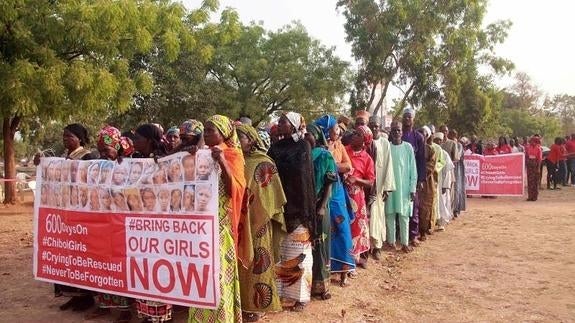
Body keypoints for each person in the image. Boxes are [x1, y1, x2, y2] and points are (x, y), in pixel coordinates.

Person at [188, 115, 246, 323]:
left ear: (224, 133)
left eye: (212, 130)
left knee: (219, 274)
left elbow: (236, 190)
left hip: (221, 225)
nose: (207, 134)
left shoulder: (233, 155)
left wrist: (221, 160)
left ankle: (223, 318)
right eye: (205, 130)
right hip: (201, 224)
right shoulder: (200, 154)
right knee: (200, 274)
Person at [236, 124, 287, 322]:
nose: (238, 140)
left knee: (259, 261)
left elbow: (270, 194)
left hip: (259, 221)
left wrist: (256, 209)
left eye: (241, 137)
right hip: (238, 221)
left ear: (252, 139)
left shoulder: (264, 163)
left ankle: (258, 307)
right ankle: (242, 304)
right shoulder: (233, 160)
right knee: (240, 262)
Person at [267, 112, 315, 312]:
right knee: (280, 252)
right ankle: (280, 295)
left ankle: (301, 298)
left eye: (283, 121)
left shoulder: (303, 146)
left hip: (298, 208)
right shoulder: (275, 147)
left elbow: (304, 180)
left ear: (294, 125)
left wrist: (305, 212)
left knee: (299, 254)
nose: (279, 124)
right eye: (279, 121)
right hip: (279, 207)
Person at [131, 124, 173, 322]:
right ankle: (147, 314)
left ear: (148, 140)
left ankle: (162, 316)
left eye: (137, 138)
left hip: (160, 226)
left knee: (159, 270)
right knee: (143, 268)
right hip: (140, 225)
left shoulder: (166, 159)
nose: (134, 142)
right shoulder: (134, 159)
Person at [55, 123, 97, 312]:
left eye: (69, 136)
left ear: (79, 138)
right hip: (66, 214)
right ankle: (72, 295)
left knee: (82, 256)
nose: (65, 139)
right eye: (64, 136)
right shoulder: (65, 158)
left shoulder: (88, 157)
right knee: (68, 256)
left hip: (82, 214)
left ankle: (86, 298)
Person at [314, 115, 356, 285]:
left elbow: (348, 166)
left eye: (337, 129)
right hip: (321, 190)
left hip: (336, 191)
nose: (337, 131)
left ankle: (344, 271)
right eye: (334, 128)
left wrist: (330, 164)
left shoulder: (339, 146)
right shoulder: (317, 147)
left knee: (342, 228)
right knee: (323, 232)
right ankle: (325, 270)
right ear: (325, 130)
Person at [305, 124, 337, 301]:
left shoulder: (325, 156)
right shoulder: (304, 154)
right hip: (306, 207)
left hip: (320, 206)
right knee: (309, 246)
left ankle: (323, 287)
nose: (305, 136)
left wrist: (323, 205)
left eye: (309, 134)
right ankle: (308, 285)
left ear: (316, 136)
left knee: (321, 246)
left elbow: (330, 182)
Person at [344, 126, 375, 269]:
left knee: (356, 229)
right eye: (354, 132)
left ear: (364, 141)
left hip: (356, 197)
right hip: (342, 194)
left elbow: (370, 182)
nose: (354, 135)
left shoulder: (367, 158)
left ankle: (352, 262)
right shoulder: (344, 150)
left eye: (358, 134)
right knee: (343, 226)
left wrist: (356, 180)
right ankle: (342, 260)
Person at [385, 121, 417, 252]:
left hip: (404, 188)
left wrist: (412, 188)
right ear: (391, 133)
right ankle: (391, 242)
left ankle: (404, 243)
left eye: (398, 130)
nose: (396, 132)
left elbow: (413, 169)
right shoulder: (387, 147)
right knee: (390, 214)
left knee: (404, 216)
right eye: (394, 130)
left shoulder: (408, 147)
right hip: (390, 187)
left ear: (402, 132)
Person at [367, 115, 395, 259]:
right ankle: (366, 247)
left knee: (378, 217)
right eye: (372, 125)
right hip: (367, 186)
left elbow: (389, 165)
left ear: (380, 127)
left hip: (379, 187)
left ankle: (377, 247)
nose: (374, 128)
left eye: (377, 126)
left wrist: (387, 187)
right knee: (366, 217)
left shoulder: (385, 143)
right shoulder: (365, 142)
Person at [401, 108, 425, 247]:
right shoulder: (396, 135)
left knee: (413, 207)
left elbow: (421, 159)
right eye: (405, 117)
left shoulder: (418, 138)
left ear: (413, 119)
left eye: (409, 117)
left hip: (412, 176)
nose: (407, 119)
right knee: (399, 206)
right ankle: (400, 235)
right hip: (398, 175)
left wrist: (420, 179)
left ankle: (413, 235)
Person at [433, 133, 454, 230]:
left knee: (442, 203)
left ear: (441, 142)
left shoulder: (445, 154)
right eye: (435, 140)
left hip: (441, 183)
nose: (437, 142)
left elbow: (448, 172)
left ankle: (441, 223)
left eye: (439, 140)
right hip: (432, 183)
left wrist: (445, 186)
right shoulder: (431, 151)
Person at [450, 130, 466, 218]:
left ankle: (456, 209)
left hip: (457, 169)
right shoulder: (447, 143)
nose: (452, 136)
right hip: (449, 168)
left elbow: (457, 156)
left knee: (457, 188)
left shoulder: (458, 145)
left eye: (454, 135)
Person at [525, 135, 543, 201]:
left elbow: (539, 159)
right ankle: (530, 196)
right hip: (529, 165)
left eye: (533, 141)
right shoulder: (528, 147)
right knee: (530, 181)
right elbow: (526, 156)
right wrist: (527, 163)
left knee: (535, 181)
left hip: (535, 164)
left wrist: (538, 168)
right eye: (531, 141)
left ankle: (535, 197)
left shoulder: (538, 148)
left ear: (536, 141)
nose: (531, 142)